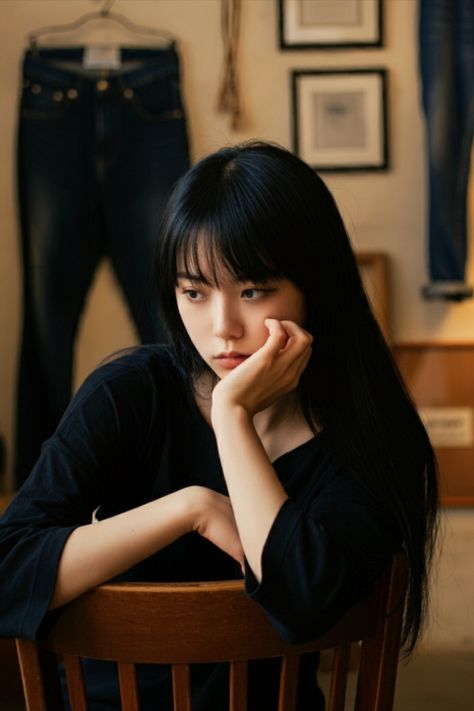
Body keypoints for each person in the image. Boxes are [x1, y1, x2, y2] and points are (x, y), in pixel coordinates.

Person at [0, 141, 438, 710]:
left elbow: (300, 603)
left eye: (253, 290)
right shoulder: (132, 394)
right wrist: (192, 509)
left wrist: (232, 416)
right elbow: (8, 572)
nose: (222, 328)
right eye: (194, 293)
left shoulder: (371, 438)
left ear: (316, 288)